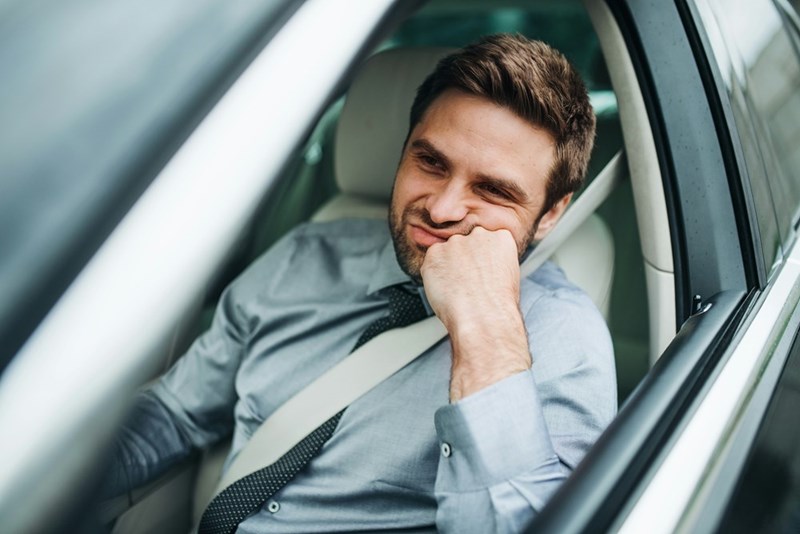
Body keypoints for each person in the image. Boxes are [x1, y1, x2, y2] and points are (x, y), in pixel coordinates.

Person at [103, 34, 616, 533]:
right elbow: (175, 414)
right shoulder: (306, 256)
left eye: (493, 190)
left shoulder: (565, 339)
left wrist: (485, 331)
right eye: (430, 162)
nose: (442, 209)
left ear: (551, 213)